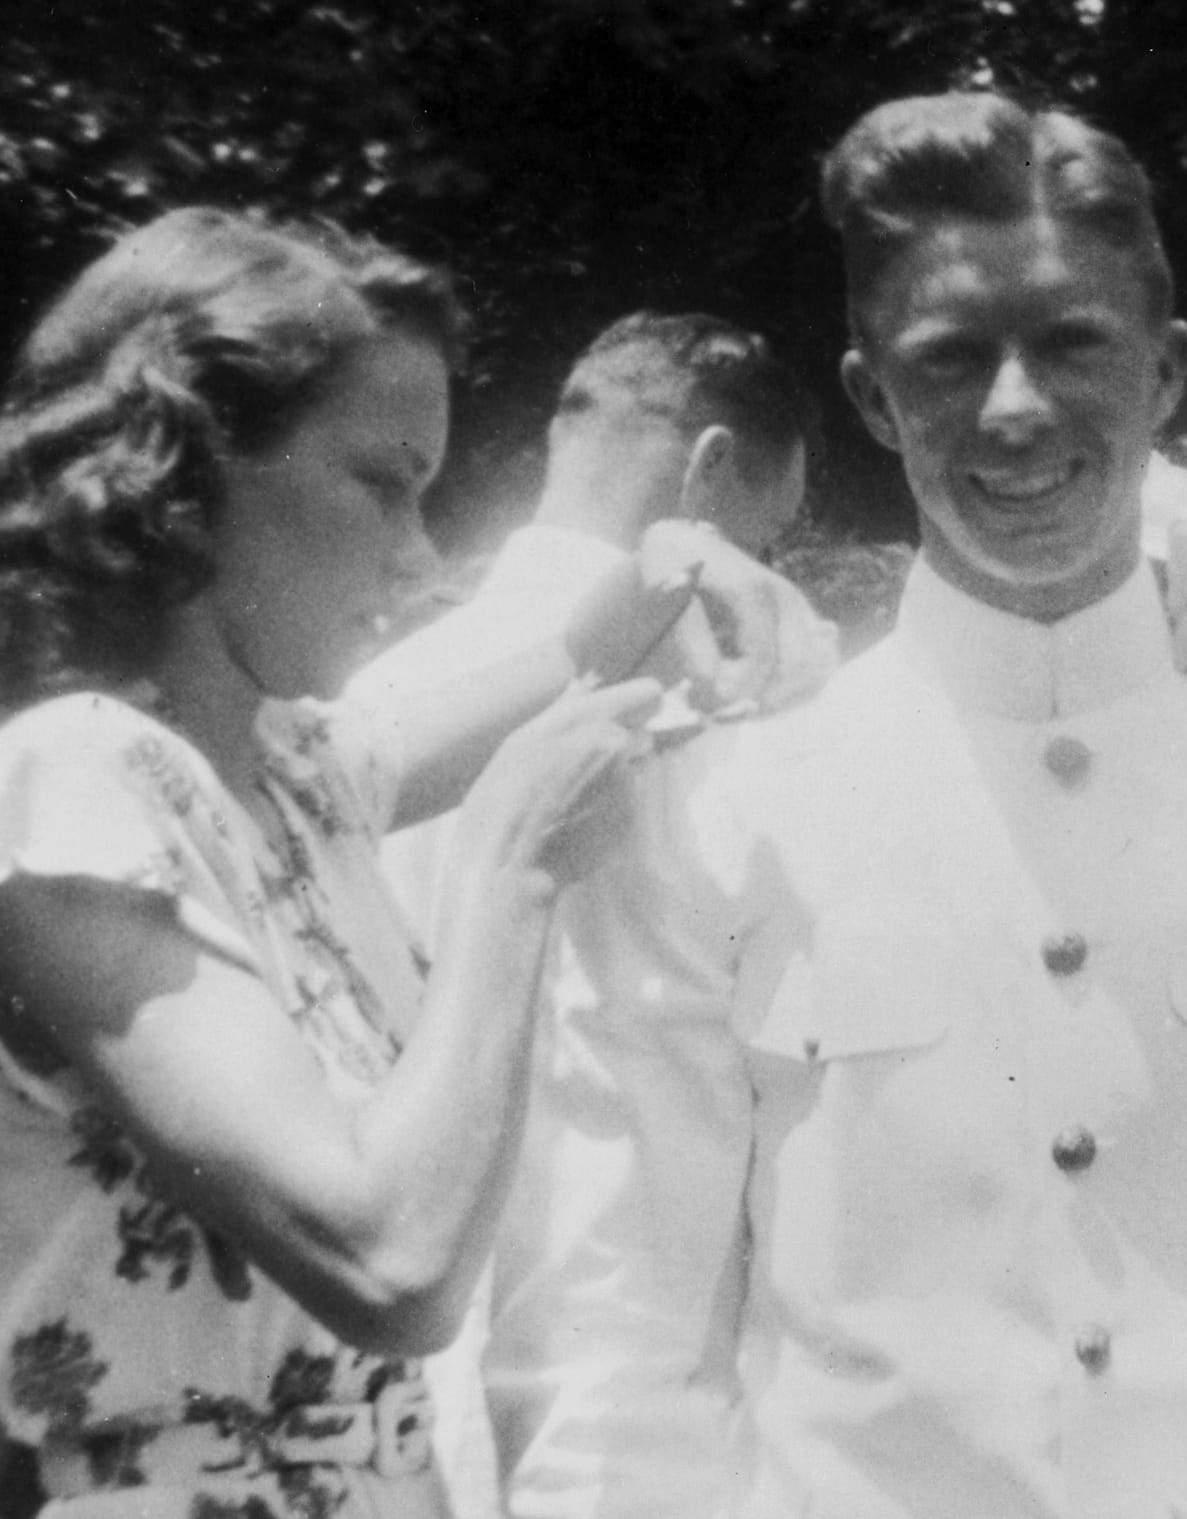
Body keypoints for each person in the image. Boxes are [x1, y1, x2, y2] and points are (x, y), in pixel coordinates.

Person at [505, 91, 1187, 1519]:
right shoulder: (723, 800)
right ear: (874, 397)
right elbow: (620, 1342)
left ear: (1170, 369)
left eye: (1072, 341)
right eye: (949, 361)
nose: (1014, 409)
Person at [0, 207, 704, 1518]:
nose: (423, 555)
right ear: (185, 471)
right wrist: (512, 872)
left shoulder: (294, 774)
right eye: (384, 481)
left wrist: (681, 559)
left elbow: (588, 658)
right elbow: (391, 1261)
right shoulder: (68, 775)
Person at [348, 308, 833, 1519]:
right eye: (775, 532)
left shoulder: (370, 701)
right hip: (643, 1421)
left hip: (388, 1416)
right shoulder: (753, 712)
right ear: (712, 470)